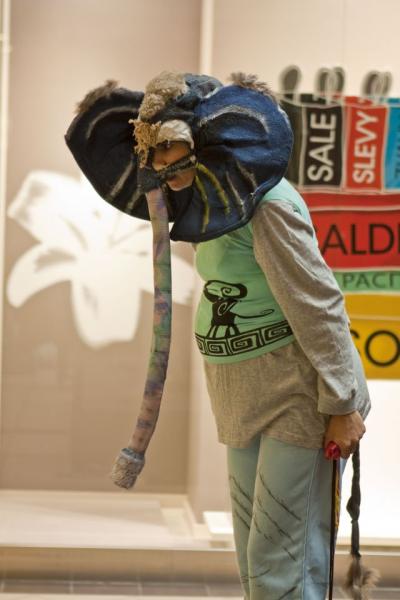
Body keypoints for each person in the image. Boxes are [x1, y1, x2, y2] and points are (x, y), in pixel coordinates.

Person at [65, 71, 370, 600]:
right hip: (243, 396)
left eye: (168, 149)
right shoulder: (212, 209)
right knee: (255, 556)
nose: (158, 164)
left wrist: (343, 403)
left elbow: (317, 304)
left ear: (209, 142)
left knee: (283, 559)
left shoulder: (269, 207)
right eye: (150, 152)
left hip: (295, 397)